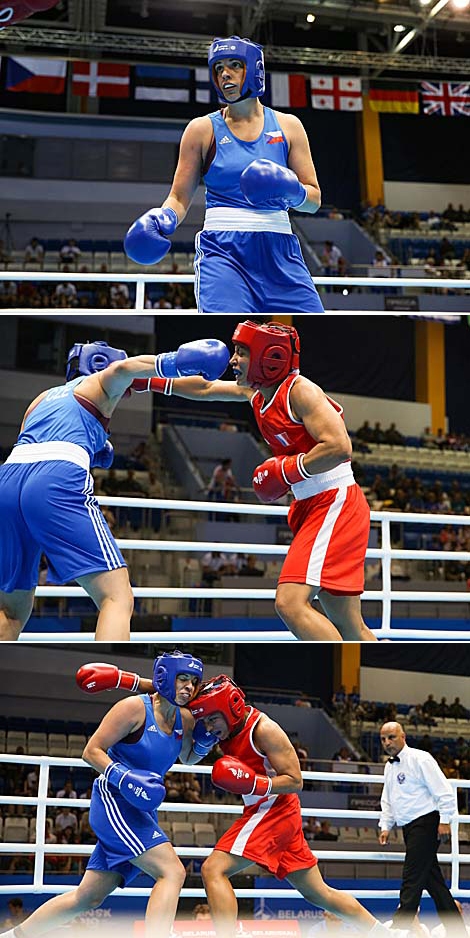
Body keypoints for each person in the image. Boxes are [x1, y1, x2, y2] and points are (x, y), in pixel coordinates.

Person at [76, 665, 403, 938]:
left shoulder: (265, 730)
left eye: (212, 721)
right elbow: (177, 694)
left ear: (229, 709)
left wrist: (255, 782)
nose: (208, 728)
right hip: (265, 811)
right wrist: (124, 681)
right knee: (319, 894)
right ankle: (382, 933)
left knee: (213, 869)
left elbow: (296, 780)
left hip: (274, 810)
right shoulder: (218, 719)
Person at [133, 320, 376, 641]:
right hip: (310, 502)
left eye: (241, 353)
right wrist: (147, 381)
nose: (232, 360)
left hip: (334, 501)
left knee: (290, 604)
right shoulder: (259, 392)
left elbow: (340, 447)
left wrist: (288, 471)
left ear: (269, 357)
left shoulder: (301, 392)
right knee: (350, 625)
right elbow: (205, 389)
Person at [0, 336, 230, 640]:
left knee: (10, 611)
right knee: (116, 598)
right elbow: (124, 368)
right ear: (99, 364)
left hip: (8, 481)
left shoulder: (42, 398)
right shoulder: (102, 380)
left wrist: (98, 446)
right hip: (54, 480)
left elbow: (32, 444)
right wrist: (177, 360)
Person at [0, 652, 215, 938]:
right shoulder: (133, 709)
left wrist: (204, 742)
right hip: (114, 801)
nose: (189, 686)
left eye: (194, 681)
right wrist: (124, 776)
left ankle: (15, 935)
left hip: (140, 809)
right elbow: (91, 751)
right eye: (183, 679)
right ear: (166, 678)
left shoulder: (185, 720)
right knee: (172, 871)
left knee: (87, 898)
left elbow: (187, 759)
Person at [124, 36, 324, 314]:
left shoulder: (289, 126)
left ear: (254, 71)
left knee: (310, 332)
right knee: (227, 331)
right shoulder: (201, 130)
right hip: (224, 252)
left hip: (281, 251)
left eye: (234, 65)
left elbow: (314, 200)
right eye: (218, 68)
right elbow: (178, 198)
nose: (225, 74)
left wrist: (291, 189)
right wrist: (163, 217)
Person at [378, 721, 467, 936]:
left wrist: (445, 820)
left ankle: (399, 928)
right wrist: (385, 825)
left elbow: (444, 791)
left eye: (391, 737)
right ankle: (458, 931)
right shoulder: (389, 766)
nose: (387, 742)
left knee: (412, 876)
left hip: (426, 823)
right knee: (432, 881)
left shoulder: (421, 759)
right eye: (383, 739)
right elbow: (388, 799)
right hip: (409, 828)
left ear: (403, 737)